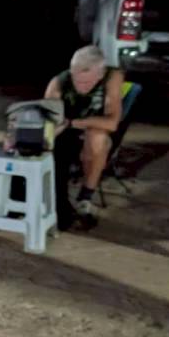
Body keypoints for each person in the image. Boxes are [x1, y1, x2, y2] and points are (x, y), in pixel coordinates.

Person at [45, 45, 124, 226]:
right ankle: (57, 205)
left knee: (97, 136)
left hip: (89, 130)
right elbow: (49, 119)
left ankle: (85, 198)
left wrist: (73, 123)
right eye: (77, 81)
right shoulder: (58, 83)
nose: (81, 87)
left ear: (100, 74)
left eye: (87, 83)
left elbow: (111, 123)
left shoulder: (112, 76)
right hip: (66, 134)